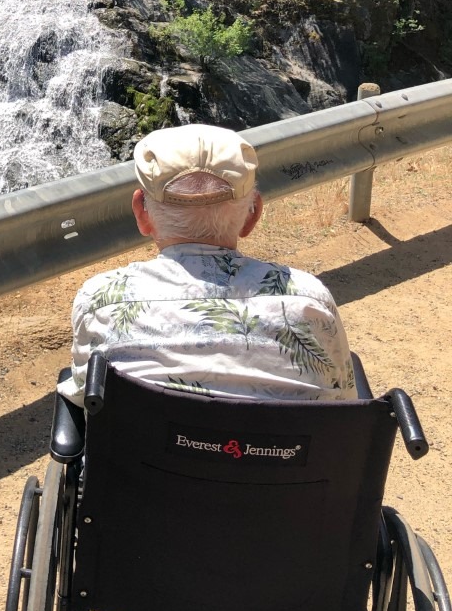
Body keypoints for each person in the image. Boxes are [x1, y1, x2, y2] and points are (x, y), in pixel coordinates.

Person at [58, 123, 356, 403]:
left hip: (141, 459)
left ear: (142, 213)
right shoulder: (309, 299)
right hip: (279, 458)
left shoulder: (99, 300)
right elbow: (343, 399)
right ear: (252, 215)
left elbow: (87, 399)